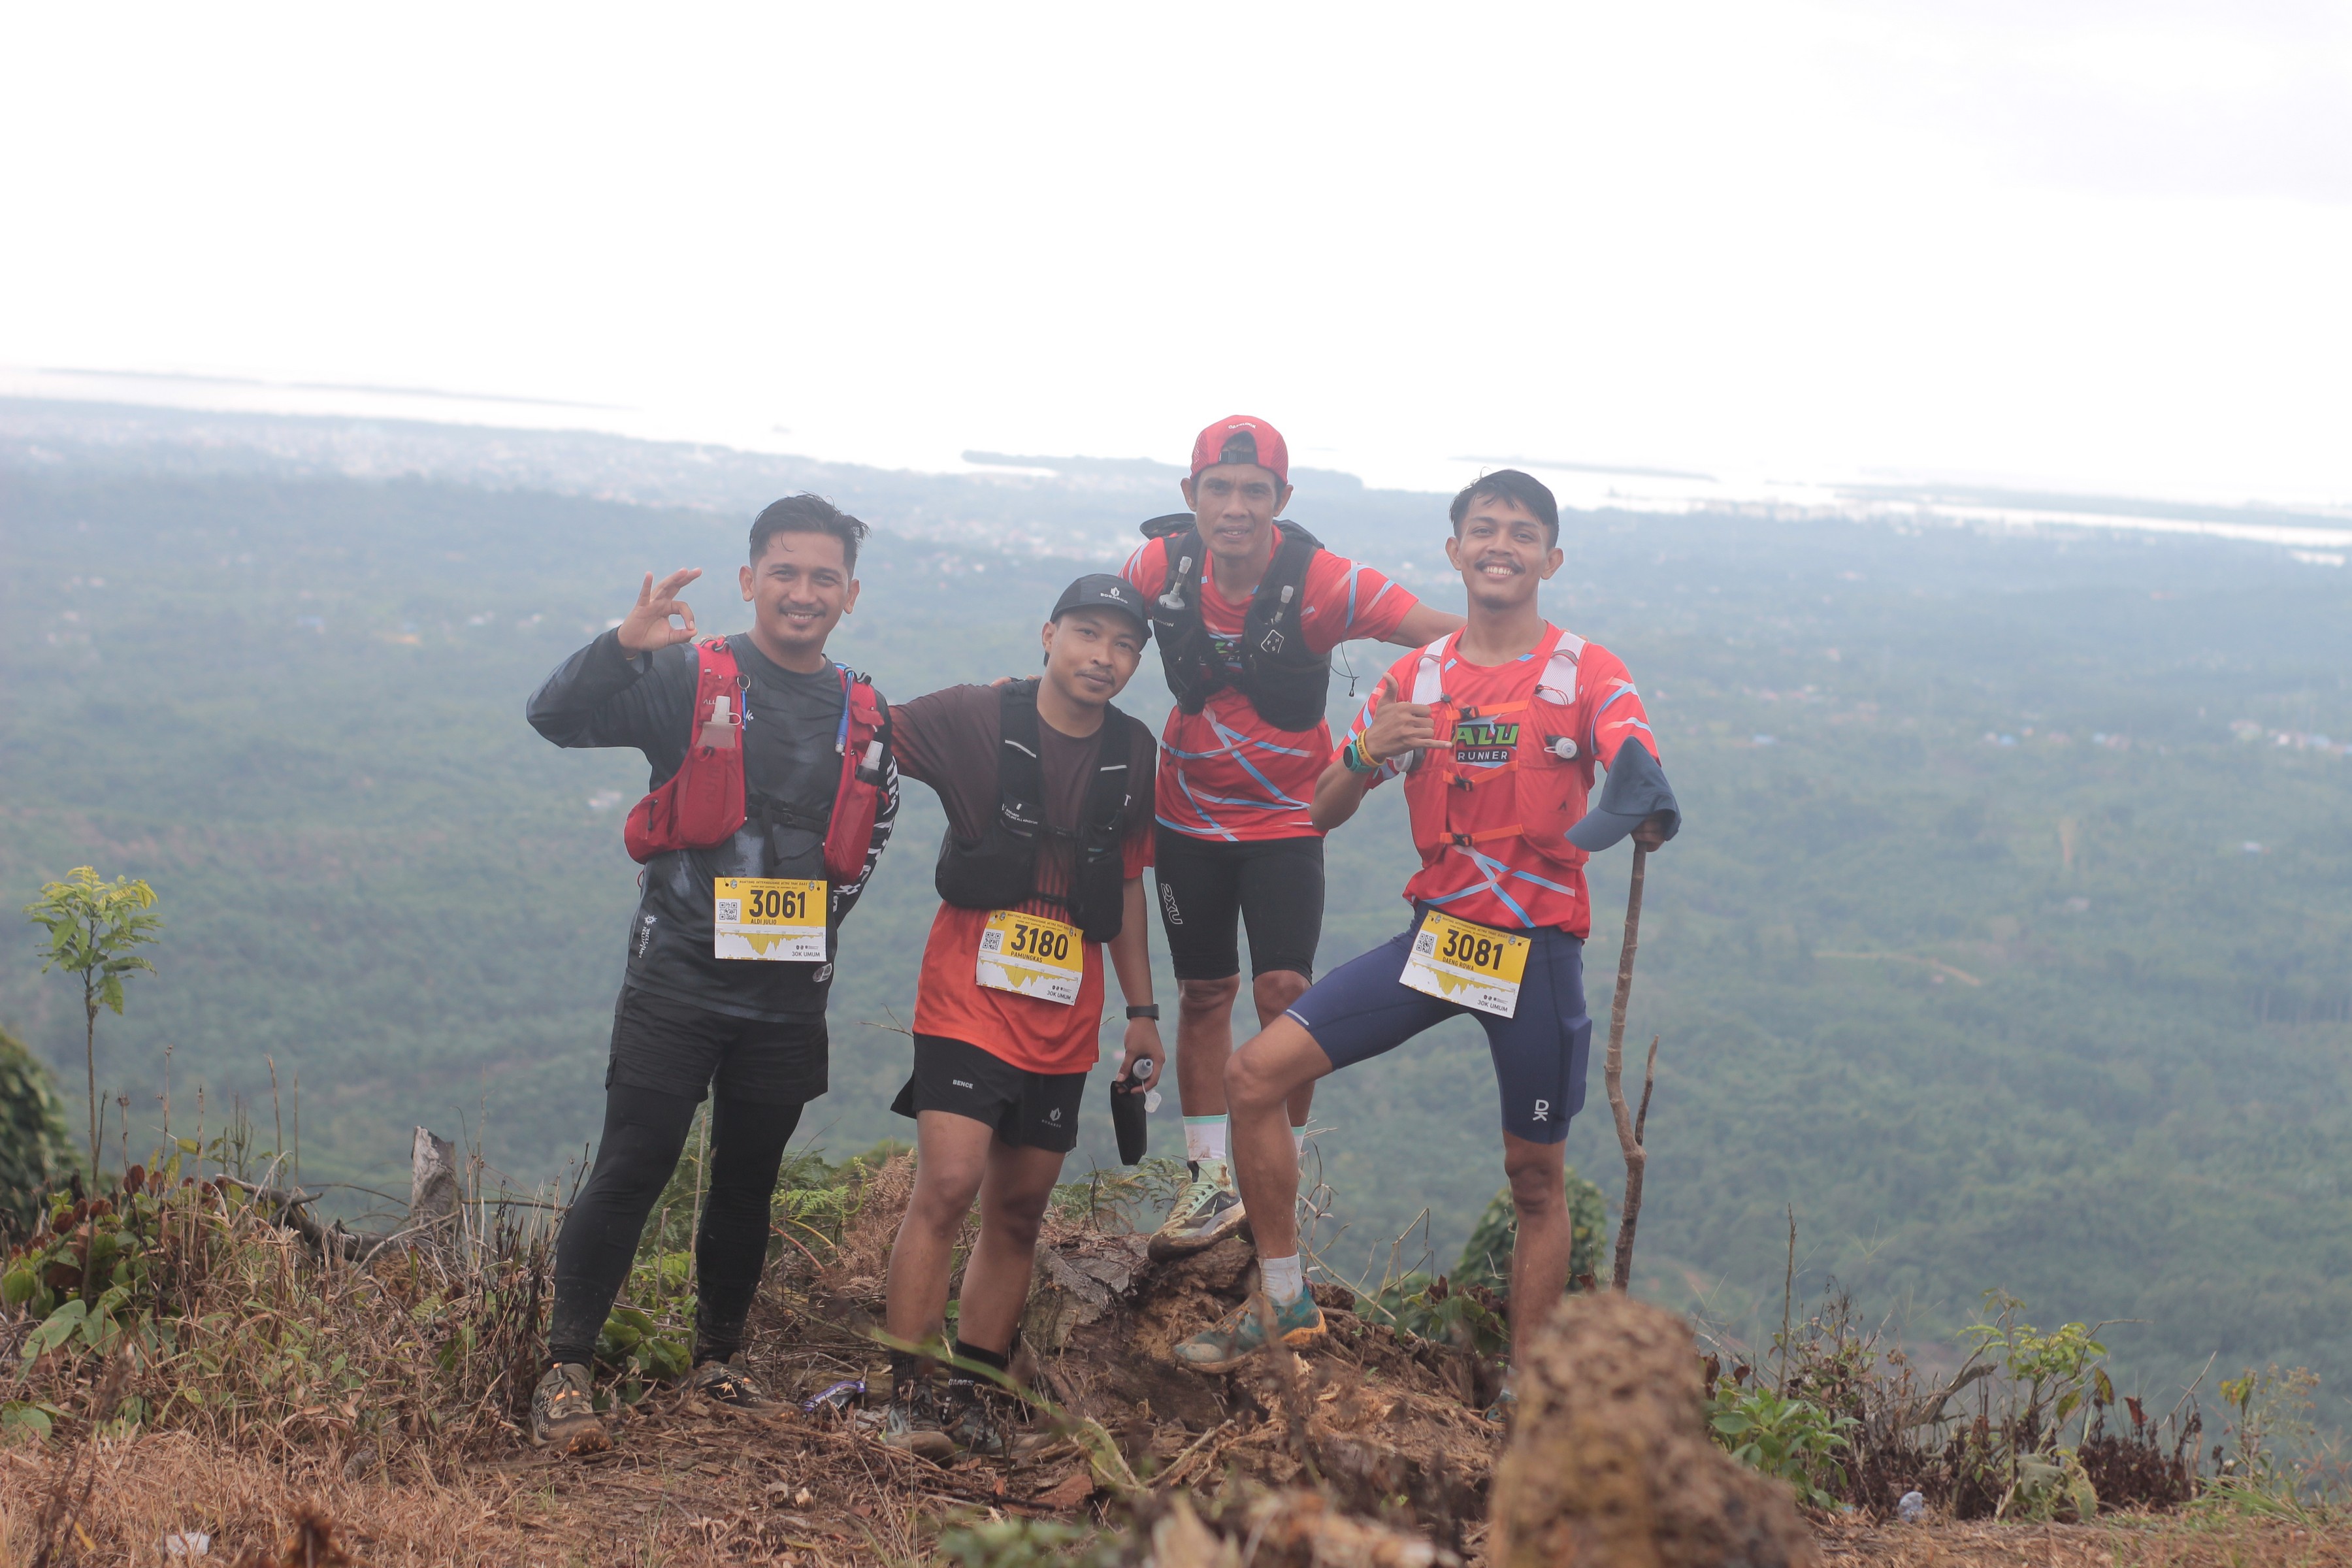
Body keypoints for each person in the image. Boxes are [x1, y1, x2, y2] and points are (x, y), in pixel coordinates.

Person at [1171, 469, 1680, 1397]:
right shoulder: (1417, 677)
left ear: (1552, 560)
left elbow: (1630, 747)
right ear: (1454, 551)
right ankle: (1281, 1299)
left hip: (1534, 956)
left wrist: (1642, 798)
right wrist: (1367, 751)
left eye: (1522, 533)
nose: (1501, 546)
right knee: (1252, 1077)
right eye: (1483, 529)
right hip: (1436, 944)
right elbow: (1321, 808)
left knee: (1535, 1178)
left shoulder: (1585, 671)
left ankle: (1529, 1393)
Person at [523, 494, 898, 1452]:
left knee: (747, 1181)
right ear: (748, 580)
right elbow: (553, 716)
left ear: (850, 595)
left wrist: (814, 933)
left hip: (789, 994)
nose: (803, 592)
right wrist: (623, 645)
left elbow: (872, 834)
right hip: (679, 978)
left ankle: (718, 1363)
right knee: (635, 1161)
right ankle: (566, 1370)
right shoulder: (690, 676)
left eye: (824, 577)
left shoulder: (865, 711)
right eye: (784, 572)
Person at [1122, 416, 1462, 1262]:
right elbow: (1098, 634)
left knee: (1283, 990)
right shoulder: (1157, 567)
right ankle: (1207, 1180)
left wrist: (1528, 692)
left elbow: (1448, 637)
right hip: (1186, 810)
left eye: (1255, 491)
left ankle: (1281, 1177)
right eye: (1218, 488)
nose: (1235, 507)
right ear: (1190, 494)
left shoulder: (1324, 582)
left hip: (1290, 814)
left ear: (1282, 498)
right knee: (1206, 992)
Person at [877, 574, 1164, 1459]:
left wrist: (1144, 1011)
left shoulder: (1133, 753)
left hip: (1066, 1008)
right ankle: (905, 1397)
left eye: (1124, 645)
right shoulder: (975, 716)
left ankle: (975, 1394)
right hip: (965, 991)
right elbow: (865, 731)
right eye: (1088, 634)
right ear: (1048, 634)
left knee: (1019, 1208)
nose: (1104, 657)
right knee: (950, 1182)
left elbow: (1126, 882)